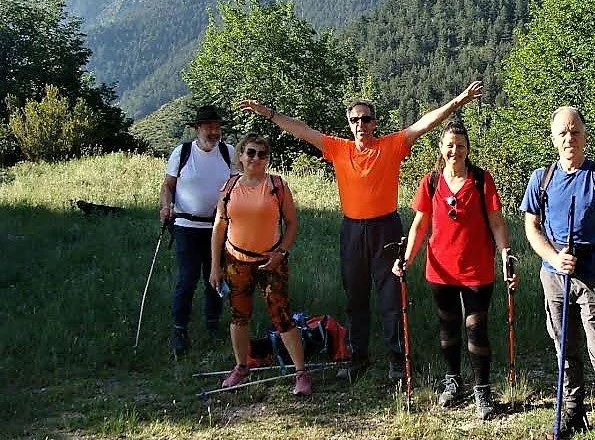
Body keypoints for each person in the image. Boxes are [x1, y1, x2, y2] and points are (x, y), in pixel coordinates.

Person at [240, 80, 482, 381]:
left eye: (366, 119)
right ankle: (358, 356)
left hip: (386, 228)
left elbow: (424, 124)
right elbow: (302, 130)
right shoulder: (337, 149)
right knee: (355, 297)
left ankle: (398, 358)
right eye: (355, 119)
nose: (360, 124)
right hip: (352, 229)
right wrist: (269, 114)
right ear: (349, 123)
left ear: (374, 123)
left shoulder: (391, 145)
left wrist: (458, 100)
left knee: (391, 296)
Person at [519, 106, 595, 440]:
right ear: (553, 138)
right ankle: (573, 411)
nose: (570, 138)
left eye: (576, 131)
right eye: (563, 133)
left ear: (585, 135)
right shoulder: (542, 178)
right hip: (554, 276)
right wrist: (554, 257)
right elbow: (531, 226)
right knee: (564, 347)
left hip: (593, 274)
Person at [392, 121, 515, 420]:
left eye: (460, 145)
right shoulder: (431, 181)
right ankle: (453, 381)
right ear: (441, 148)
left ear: (468, 148)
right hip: (440, 269)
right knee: (447, 328)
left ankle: (482, 390)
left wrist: (505, 255)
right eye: (449, 145)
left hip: (477, 269)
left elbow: (497, 222)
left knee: (476, 328)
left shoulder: (482, 180)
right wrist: (407, 257)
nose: (454, 150)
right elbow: (420, 224)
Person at [208, 134, 310, 395]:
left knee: (282, 316)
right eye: (251, 153)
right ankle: (241, 366)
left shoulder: (277, 185)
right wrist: (214, 266)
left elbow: (292, 223)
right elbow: (219, 226)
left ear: (267, 159)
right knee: (239, 316)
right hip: (236, 260)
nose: (256, 158)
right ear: (240, 155)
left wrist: (281, 252)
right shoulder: (229, 187)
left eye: (262, 154)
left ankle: (300, 373)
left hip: (270, 262)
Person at [160, 105, 235, 356]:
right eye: (209, 127)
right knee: (188, 278)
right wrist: (165, 206)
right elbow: (168, 186)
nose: (215, 131)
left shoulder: (229, 153)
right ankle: (179, 331)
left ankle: (212, 325)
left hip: (219, 227)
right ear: (197, 129)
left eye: (218, 126)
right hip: (185, 226)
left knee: (216, 278)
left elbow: (238, 185)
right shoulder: (181, 153)